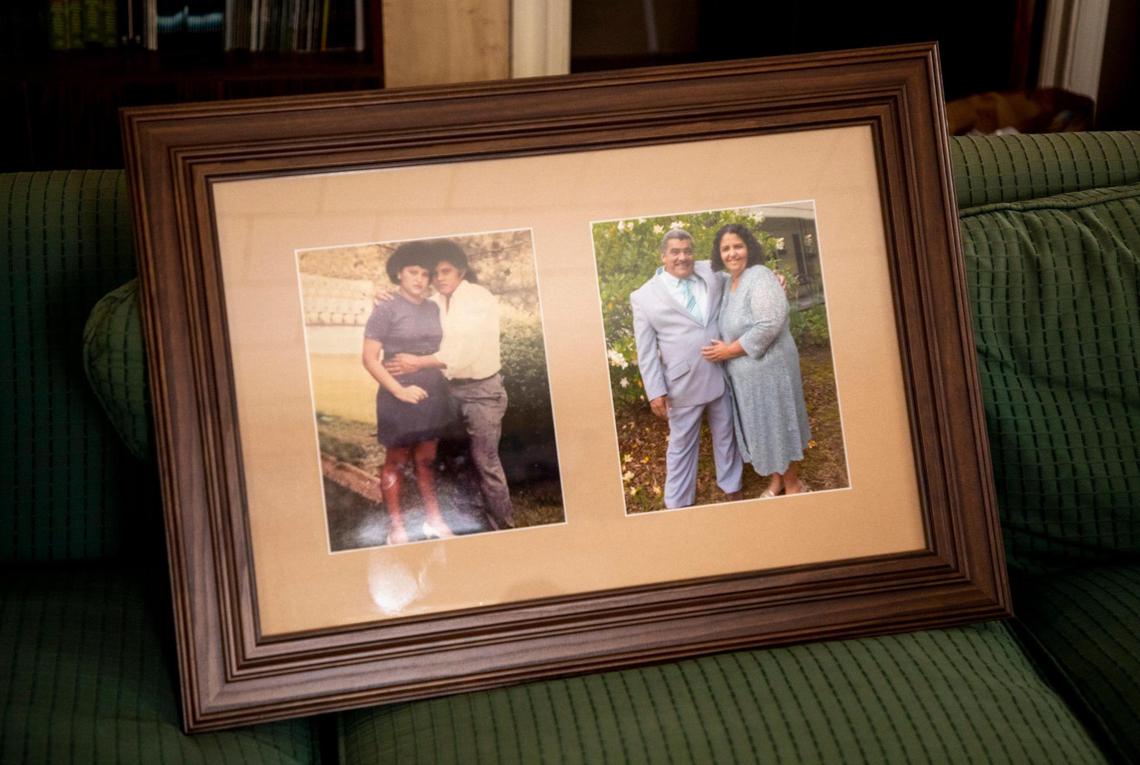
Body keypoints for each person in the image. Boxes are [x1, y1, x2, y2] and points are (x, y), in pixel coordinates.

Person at [382, 239, 515, 530]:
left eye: (446, 271)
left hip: (482, 392)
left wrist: (416, 362)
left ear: (462, 271)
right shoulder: (440, 302)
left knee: (486, 463)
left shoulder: (477, 298)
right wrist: (385, 298)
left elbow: (462, 353)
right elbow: (411, 310)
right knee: (455, 460)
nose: (439, 278)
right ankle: (470, 521)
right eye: (436, 273)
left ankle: (503, 528)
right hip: (450, 390)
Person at [630, 228, 743, 509]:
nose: (683, 257)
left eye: (687, 251)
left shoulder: (710, 271)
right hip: (682, 384)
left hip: (720, 372)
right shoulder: (643, 297)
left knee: (726, 433)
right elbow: (645, 351)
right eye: (675, 252)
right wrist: (655, 391)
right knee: (681, 446)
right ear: (663, 256)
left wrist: (772, 277)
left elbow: (742, 271)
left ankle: (731, 485)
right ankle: (678, 502)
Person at [701, 223, 812, 496]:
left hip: (771, 370)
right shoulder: (729, 282)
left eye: (738, 246)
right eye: (725, 249)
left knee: (777, 425)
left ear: (749, 247)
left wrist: (729, 351)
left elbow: (769, 324)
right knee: (763, 428)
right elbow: (696, 267)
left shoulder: (760, 276)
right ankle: (777, 481)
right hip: (747, 377)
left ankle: (794, 484)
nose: (732, 253)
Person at [362, 242, 456, 545]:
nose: (420, 279)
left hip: (432, 395)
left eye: (425, 274)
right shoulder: (385, 308)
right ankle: (396, 527)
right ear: (399, 274)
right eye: (412, 272)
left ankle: (433, 520)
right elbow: (368, 359)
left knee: (427, 460)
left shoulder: (433, 307)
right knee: (396, 462)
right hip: (397, 396)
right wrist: (400, 391)